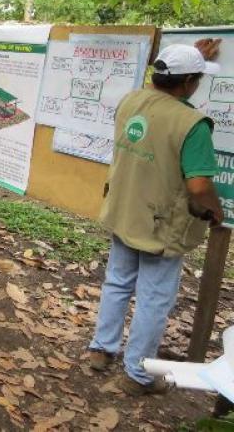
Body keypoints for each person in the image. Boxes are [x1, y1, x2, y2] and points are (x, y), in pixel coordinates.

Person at [88, 42, 224, 396]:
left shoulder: (131, 101)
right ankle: (138, 373)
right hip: (161, 225)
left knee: (117, 282)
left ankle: (102, 350)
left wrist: (188, 59)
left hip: (125, 211)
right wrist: (215, 208)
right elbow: (198, 187)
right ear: (190, 82)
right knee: (154, 299)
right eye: (196, 79)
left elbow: (159, 98)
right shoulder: (192, 125)